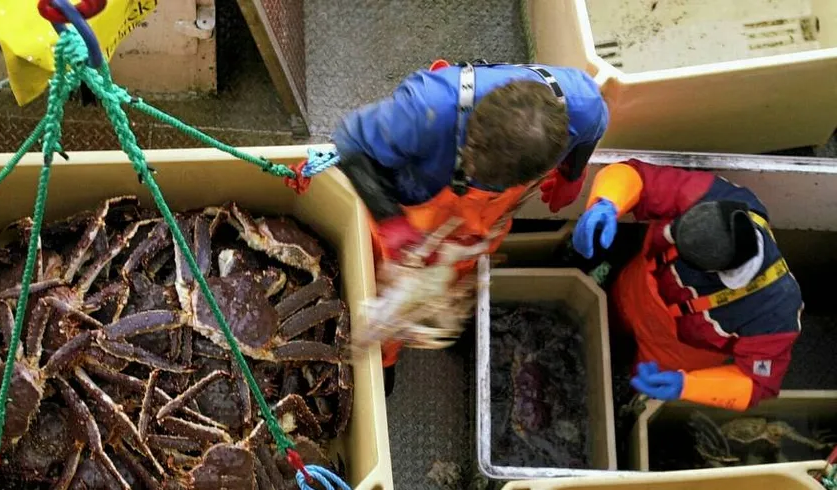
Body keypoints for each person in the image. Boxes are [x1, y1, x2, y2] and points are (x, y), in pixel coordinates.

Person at [332, 59, 610, 394]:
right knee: (385, 294)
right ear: (472, 135)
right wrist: (392, 223)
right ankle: (383, 360)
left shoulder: (584, 104)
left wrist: (572, 174)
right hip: (411, 213)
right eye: (476, 167)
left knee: (458, 280)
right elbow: (349, 143)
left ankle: (436, 322)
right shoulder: (427, 108)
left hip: (479, 228)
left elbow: (595, 128)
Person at [572, 158, 803, 411]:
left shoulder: (776, 311)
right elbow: (639, 176)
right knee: (601, 317)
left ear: (712, 272)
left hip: (671, 351)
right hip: (634, 290)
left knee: (626, 386)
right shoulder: (709, 194)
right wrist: (607, 202)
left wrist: (687, 385)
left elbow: (759, 382)